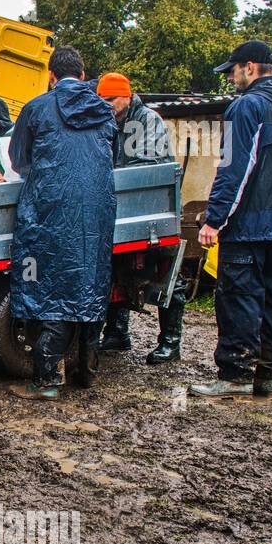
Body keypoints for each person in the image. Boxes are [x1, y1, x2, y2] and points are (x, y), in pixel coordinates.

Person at [189, 40, 272, 400]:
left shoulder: (247, 107)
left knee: (239, 297)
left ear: (250, 67)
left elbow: (235, 169)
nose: (230, 78)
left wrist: (215, 219)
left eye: (232, 70)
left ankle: (235, 373)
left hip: (250, 225)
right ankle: (266, 374)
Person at [6, 47, 117, 400]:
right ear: (84, 76)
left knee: (51, 287)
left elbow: (18, 158)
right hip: (96, 211)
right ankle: (87, 370)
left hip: (50, 210)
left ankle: (47, 379)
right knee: (90, 280)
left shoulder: (36, 108)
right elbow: (106, 157)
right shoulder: (105, 110)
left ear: (51, 77)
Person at [94, 72, 185, 363]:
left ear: (127, 95)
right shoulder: (108, 122)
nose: (106, 104)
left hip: (153, 206)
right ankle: (117, 333)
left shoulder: (147, 120)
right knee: (115, 269)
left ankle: (171, 342)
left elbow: (144, 164)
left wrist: (108, 177)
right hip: (120, 207)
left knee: (167, 272)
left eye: (111, 99)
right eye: (101, 99)